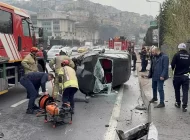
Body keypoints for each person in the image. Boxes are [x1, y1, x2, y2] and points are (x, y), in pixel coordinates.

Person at [171, 43, 190, 112]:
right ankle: (184, 106)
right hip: (186, 76)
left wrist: (173, 70)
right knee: (185, 91)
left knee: (177, 90)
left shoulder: (176, 55)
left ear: (179, 48)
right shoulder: (189, 55)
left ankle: (178, 103)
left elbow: (172, 64)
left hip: (177, 76)